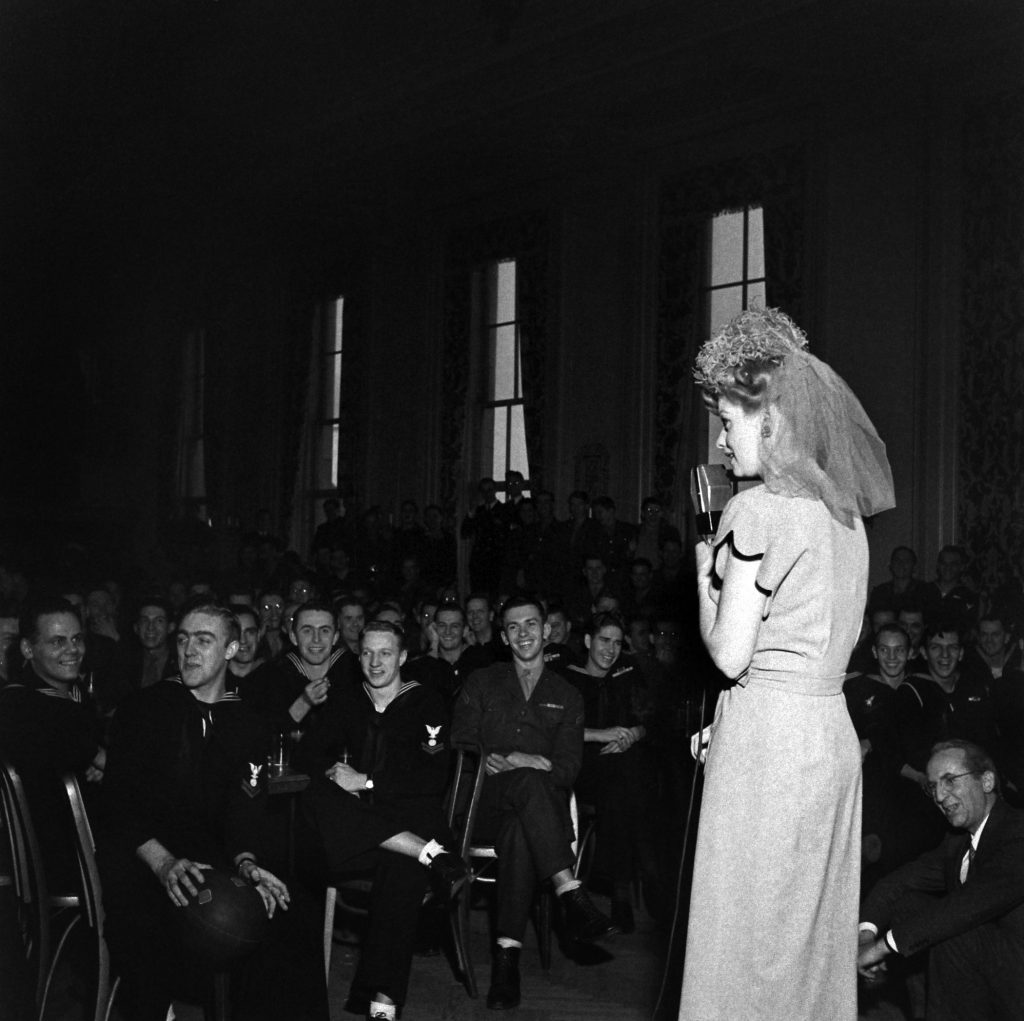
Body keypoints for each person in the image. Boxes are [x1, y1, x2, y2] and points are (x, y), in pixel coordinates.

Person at [679, 305, 895, 1021]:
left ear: (769, 419)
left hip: (769, 740)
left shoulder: (759, 509)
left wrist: (705, 569)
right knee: (804, 935)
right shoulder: (846, 515)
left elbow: (731, 653)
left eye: (729, 419)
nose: (720, 435)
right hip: (826, 735)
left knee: (742, 937)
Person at [98, 601, 329, 1021]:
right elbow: (116, 802)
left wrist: (247, 863)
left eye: (204, 641)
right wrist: (163, 863)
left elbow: (244, 807)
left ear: (231, 649)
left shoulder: (245, 721)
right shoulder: (145, 708)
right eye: (183, 639)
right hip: (144, 857)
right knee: (145, 921)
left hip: (212, 858)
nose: (189, 651)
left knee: (295, 913)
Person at [452, 595, 619, 1010]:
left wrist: (518, 760)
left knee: (520, 830)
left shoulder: (567, 694)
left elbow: (566, 770)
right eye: (513, 627)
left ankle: (506, 965)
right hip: (484, 805)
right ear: (504, 636)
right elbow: (461, 741)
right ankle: (570, 891)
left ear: (547, 631)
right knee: (526, 786)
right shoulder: (482, 681)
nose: (523, 633)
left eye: (531, 624)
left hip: (534, 817)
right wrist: (517, 761)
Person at [300, 620, 463, 1021]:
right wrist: (334, 774)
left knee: (401, 865)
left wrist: (367, 782)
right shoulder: (347, 700)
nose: (375, 662)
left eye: (385, 653)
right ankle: (431, 854)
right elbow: (310, 757)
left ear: (403, 657)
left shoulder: (425, 701)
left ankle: (381, 1006)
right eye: (367, 653)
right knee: (314, 795)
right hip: (355, 834)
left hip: (408, 819)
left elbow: (430, 779)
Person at [857, 739, 1024, 1021]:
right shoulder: (958, 844)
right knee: (910, 906)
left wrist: (882, 947)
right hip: (986, 973)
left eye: (950, 781)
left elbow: (968, 907)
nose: (940, 796)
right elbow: (897, 884)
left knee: (951, 926)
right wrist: (865, 936)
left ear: (986, 781)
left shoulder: (1017, 832)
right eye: (933, 786)